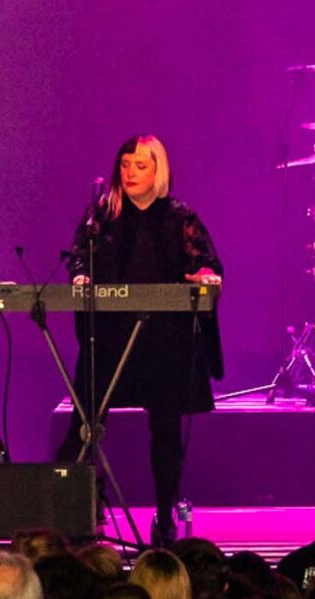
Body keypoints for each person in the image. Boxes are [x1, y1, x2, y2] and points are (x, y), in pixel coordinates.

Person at [56, 134, 222, 547]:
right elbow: (77, 254)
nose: (130, 173)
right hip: (109, 338)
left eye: (140, 166)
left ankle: (164, 518)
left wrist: (205, 277)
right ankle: (75, 511)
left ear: (158, 170)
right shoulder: (103, 214)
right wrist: (79, 275)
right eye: (125, 165)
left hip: (164, 342)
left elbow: (208, 263)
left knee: (165, 431)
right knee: (84, 424)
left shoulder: (181, 217)